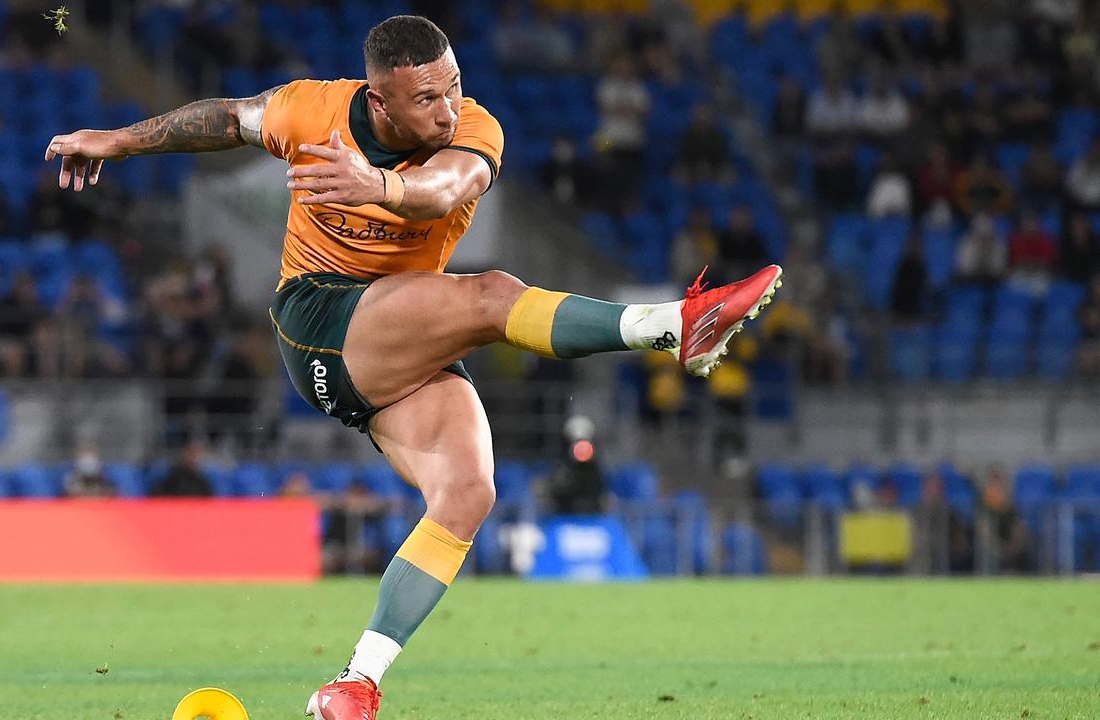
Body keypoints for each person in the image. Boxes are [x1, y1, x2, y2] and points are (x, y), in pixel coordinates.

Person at [44, 16, 782, 720]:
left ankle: (355, 683)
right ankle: (670, 327)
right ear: (379, 99)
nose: (447, 106)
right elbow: (224, 118)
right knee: (491, 295)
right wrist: (116, 141)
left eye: (453, 84)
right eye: (427, 97)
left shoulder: (474, 129)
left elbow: (447, 190)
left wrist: (380, 187)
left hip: (394, 340)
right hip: (318, 319)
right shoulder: (313, 111)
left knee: (467, 492)